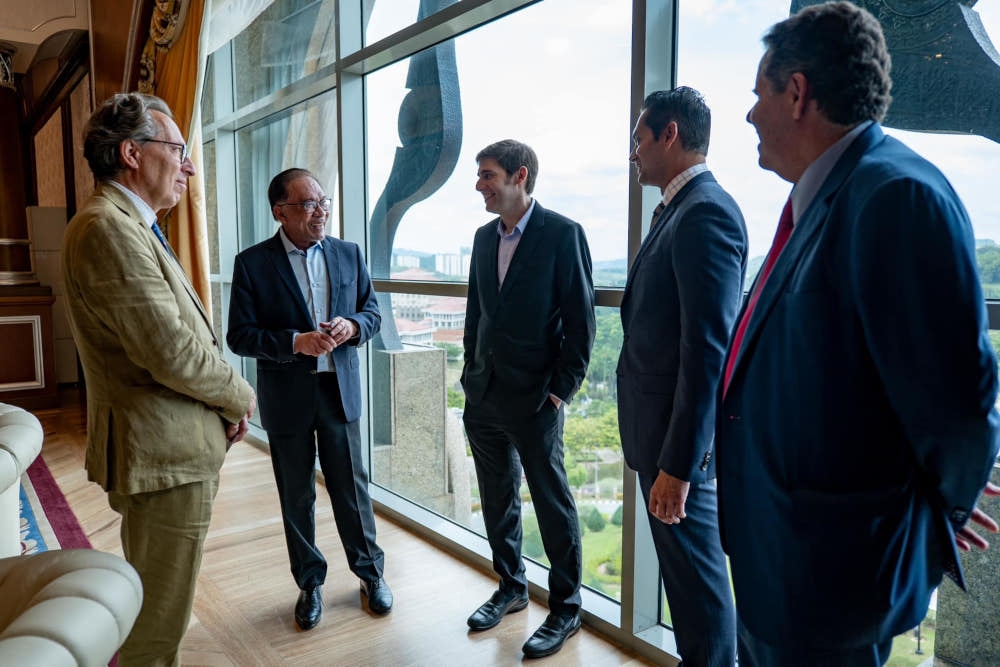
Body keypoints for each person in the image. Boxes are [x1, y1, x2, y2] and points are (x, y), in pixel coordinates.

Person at [718, 3, 1000, 665]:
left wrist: (926, 526)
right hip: (782, 562)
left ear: (797, 94)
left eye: (758, 95)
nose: (749, 114)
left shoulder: (896, 197)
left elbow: (959, 414)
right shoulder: (825, 196)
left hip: (831, 584)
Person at [61, 93, 256, 666]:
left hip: (167, 450)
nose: (189, 166)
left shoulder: (128, 225)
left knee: (155, 599)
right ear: (130, 153)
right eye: (177, 150)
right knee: (157, 625)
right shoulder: (107, 229)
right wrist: (241, 395)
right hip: (162, 456)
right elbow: (170, 351)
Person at [227, 168, 391, 632]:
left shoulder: (347, 253)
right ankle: (309, 582)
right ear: (280, 212)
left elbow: (372, 312)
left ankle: (370, 574)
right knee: (296, 496)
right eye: (307, 205)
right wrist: (295, 342)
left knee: (351, 492)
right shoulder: (252, 263)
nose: (320, 212)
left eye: (323, 203)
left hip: (339, 392)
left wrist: (354, 327)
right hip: (287, 396)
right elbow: (239, 336)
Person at [617, 87, 745, 667]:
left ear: (670, 135)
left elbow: (706, 352)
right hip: (657, 436)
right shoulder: (677, 209)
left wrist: (679, 465)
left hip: (677, 449)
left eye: (639, 140)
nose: (633, 153)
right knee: (685, 585)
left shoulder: (707, 212)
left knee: (698, 591)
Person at [461, 139, 596, 659]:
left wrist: (560, 393)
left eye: (488, 175)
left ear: (520, 176)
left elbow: (582, 326)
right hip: (484, 395)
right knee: (497, 497)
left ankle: (565, 607)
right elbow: (478, 314)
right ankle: (512, 586)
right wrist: (471, 376)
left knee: (550, 501)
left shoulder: (563, 234)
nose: (480, 185)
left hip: (537, 400)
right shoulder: (480, 238)